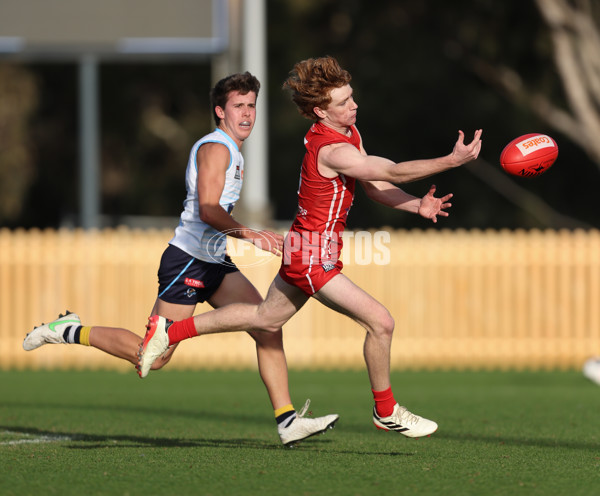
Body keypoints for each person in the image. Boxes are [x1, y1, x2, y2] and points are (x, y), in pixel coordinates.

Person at [137, 55, 483, 438]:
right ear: (321, 111)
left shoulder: (349, 134)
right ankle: (386, 410)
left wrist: (416, 204)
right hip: (311, 257)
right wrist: (452, 161)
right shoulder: (331, 150)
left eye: (352, 97)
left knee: (265, 319)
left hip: (306, 248)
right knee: (381, 322)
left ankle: (170, 333)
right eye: (344, 102)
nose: (354, 106)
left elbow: (374, 185)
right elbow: (390, 170)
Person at [23, 72, 339, 447]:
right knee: (152, 358)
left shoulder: (232, 151)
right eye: (238, 106)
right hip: (188, 260)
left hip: (214, 261)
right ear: (220, 111)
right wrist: (253, 235)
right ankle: (69, 329)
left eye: (251, 105)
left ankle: (287, 420)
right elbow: (207, 210)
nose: (247, 114)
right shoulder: (216, 149)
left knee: (267, 324)